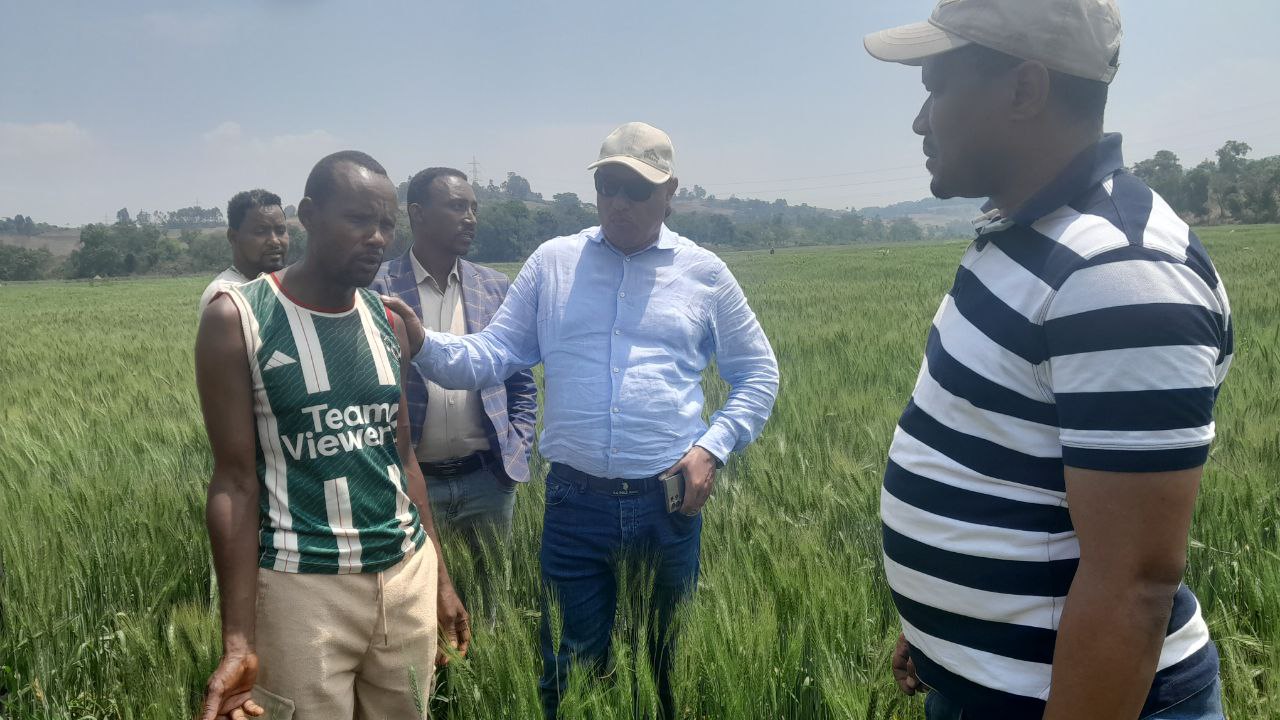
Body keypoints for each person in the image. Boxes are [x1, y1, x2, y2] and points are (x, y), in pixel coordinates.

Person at [864, 2, 1233, 719]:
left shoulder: (1118, 272)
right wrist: (943, 633)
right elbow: (1003, 459)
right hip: (987, 687)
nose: (919, 121)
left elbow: (1133, 587)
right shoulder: (1029, 238)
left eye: (936, 87)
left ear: (1025, 90)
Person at [384, 122, 780, 719]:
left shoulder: (705, 274)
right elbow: (494, 354)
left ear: (670, 191)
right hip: (575, 504)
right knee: (569, 668)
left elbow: (759, 374)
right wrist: (424, 344)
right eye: (607, 186)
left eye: (636, 189)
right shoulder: (554, 263)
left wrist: (713, 447)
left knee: (665, 665)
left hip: (667, 502)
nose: (618, 201)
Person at [194, 150, 469, 720]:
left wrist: (441, 581)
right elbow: (234, 484)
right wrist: (238, 641)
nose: (377, 238)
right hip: (302, 589)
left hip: (405, 575)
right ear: (309, 215)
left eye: (387, 224)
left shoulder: (388, 321)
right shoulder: (236, 318)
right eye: (358, 219)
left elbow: (402, 459)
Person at [371, 166, 537, 620]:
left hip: (488, 481)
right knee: (418, 612)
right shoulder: (378, 289)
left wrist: (517, 446)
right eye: (457, 206)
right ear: (418, 213)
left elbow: (520, 379)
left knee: (491, 610)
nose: (471, 218)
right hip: (413, 484)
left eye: (474, 208)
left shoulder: (495, 287)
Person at [198, 189, 290, 314]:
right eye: (260, 231)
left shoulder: (282, 287)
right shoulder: (226, 297)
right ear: (233, 237)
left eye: (280, 231)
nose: (274, 241)